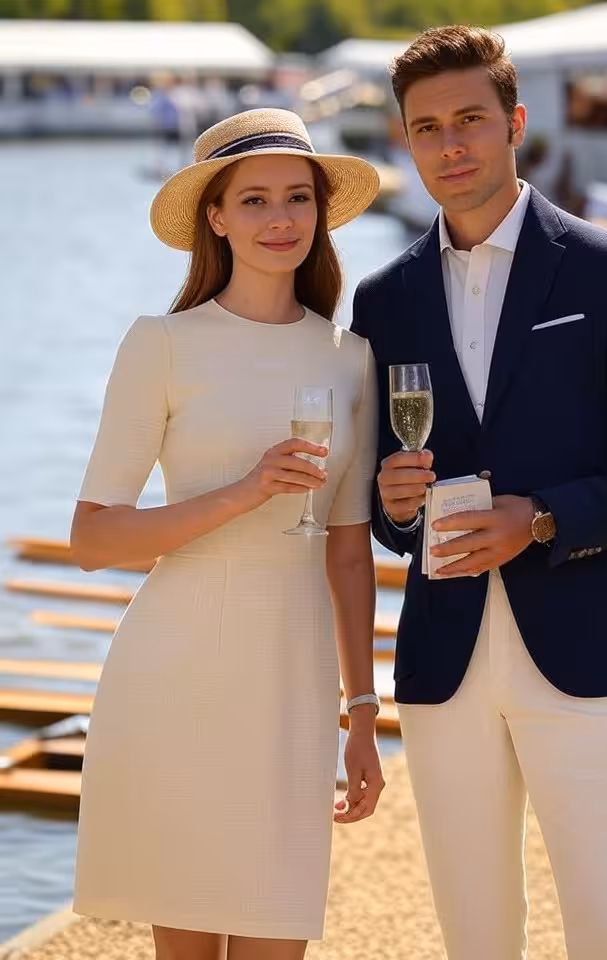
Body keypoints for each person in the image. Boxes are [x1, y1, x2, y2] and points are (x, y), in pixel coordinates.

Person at [351, 26, 607, 960]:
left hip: (581, 642)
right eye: (427, 128)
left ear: (514, 122)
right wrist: (394, 503)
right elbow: (389, 511)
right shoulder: (383, 301)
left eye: (470, 119)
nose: (451, 145)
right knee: (475, 935)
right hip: (444, 659)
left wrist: (546, 517)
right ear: (405, 141)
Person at [71, 108, 384, 960]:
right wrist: (244, 492)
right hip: (181, 673)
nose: (279, 219)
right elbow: (94, 538)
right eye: (253, 201)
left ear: (321, 212)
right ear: (215, 216)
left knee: (277, 937)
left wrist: (363, 712)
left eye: (296, 198)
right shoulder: (163, 345)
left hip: (296, 679)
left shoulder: (350, 357)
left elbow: (347, 549)